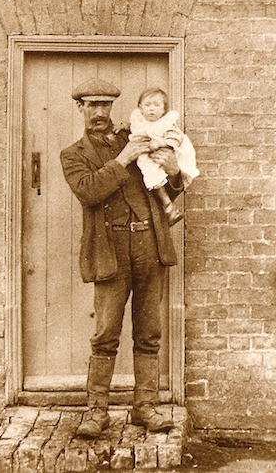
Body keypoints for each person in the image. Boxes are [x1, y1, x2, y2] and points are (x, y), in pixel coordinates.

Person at [60, 78, 184, 439]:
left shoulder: (134, 137)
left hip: (149, 245)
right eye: (91, 105)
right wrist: (122, 159)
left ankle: (144, 407)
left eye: (105, 105)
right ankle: (96, 412)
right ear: (79, 108)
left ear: (113, 107)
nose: (99, 112)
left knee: (149, 334)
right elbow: (89, 191)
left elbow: (163, 181)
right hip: (109, 252)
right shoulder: (74, 154)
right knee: (105, 335)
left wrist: (174, 169)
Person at [129, 87, 199, 226]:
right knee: (150, 171)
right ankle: (169, 207)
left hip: (167, 152)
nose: (151, 109)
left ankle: (168, 205)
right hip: (149, 155)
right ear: (140, 108)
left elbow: (176, 138)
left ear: (163, 110)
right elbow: (134, 128)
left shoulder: (167, 122)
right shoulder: (139, 121)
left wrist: (161, 143)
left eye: (157, 105)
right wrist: (123, 126)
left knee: (154, 173)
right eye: (147, 105)